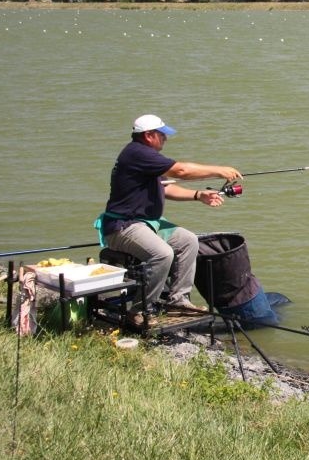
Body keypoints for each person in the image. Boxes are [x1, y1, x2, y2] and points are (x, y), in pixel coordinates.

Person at [95, 114, 242, 325]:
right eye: (162, 134)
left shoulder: (147, 157)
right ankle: (140, 311)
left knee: (188, 240)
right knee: (162, 254)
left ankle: (178, 301)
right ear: (148, 136)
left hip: (146, 223)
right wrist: (218, 170)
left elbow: (166, 187)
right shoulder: (137, 153)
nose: (165, 138)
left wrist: (198, 195)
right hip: (122, 226)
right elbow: (181, 171)